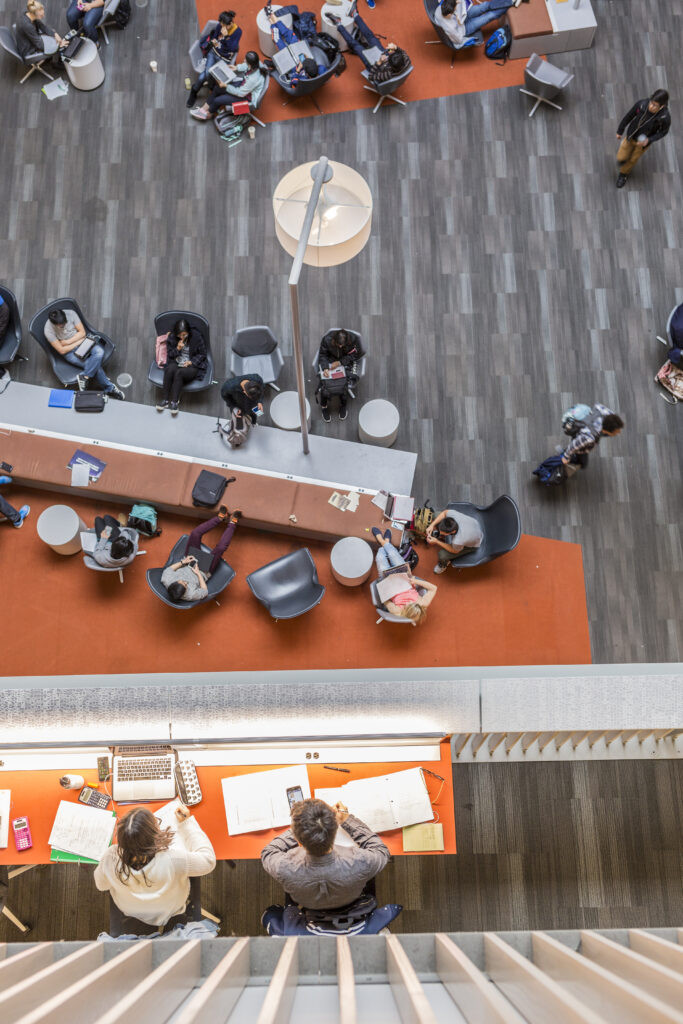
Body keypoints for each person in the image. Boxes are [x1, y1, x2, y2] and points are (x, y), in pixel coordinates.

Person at [93, 804, 216, 928]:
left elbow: (101, 885)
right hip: (172, 908)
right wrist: (187, 823)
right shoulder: (173, 859)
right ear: (153, 836)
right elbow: (208, 861)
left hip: (131, 910)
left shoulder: (110, 857)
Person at [261, 797, 391, 914]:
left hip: (308, 905)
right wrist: (347, 820)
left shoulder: (284, 867)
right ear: (334, 832)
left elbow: (268, 852)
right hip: (349, 901)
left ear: (298, 840)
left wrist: (303, 827)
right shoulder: (360, 861)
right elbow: (381, 850)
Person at [160, 506, 242, 603]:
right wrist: (198, 574)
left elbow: (170, 569)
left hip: (188, 561)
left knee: (195, 534)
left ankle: (220, 518)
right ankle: (232, 523)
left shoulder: (166, 580)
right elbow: (204, 591)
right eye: (186, 585)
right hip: (204, 570)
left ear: (173, 583)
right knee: (220, 548)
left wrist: (183, 562)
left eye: (182, 582)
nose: (185, 582)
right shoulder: (190, 595)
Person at [43, 309, 124, 399]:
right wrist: (77, 341)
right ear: (54, 324)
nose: (63, 325)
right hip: (69, 352)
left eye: (64, 323)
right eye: (60, 325)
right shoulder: (48, 330)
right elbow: (61, 350)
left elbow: (82, 333)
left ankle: (84, 377)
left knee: (99, 352)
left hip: (82, 342)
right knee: (93, 364)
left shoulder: (71, 314)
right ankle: (109, 388)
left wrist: (66, 342)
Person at [372, 529, 437, 625]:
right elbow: (433, 588)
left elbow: (386, 601)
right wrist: (416, 582)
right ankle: (384, 542)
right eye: (412, 602)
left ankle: (384, 542)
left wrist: (385, 589)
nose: (407, 602)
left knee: (380, 558)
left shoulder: (397, 612)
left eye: (406, 606)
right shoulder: (423, 603)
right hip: (404, 579)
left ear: (405, 612)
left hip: (389, 584)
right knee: (393, 554)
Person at [327, 11, 410, 85]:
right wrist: (395, 47)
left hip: (374, 65)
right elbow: (402, 52)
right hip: (383, 59)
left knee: (356, 45)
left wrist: (379, 62)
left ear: (391, 65)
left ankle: (339, 24)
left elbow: (371, 76)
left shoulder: (387, 74)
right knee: (371, 37)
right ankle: (354, 14)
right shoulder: (406, 60)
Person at [616, 89, 671, 189]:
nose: (651, 106)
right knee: (621, 156)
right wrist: (620, 130)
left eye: (655, 105)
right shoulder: (642, 104)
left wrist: (649, 140)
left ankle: (623, 174)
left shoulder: (665, 117)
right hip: (630, 136)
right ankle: (622, 161)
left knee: (633, 160)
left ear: (662, 106)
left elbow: (664, 132)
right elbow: (629, 116)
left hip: (643, 144)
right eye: (651, 102)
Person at [187, 11, 243, 108]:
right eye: (221, 25)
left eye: (224, 25)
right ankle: (206, 88)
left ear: (230, 24)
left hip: (224, 58)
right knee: (208, 73)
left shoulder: (237, 32)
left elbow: (233, 48)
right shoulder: (219, 26)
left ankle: (197, 89)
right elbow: (214, 36)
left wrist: (225, 37)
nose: (222, 27)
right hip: (213, 53)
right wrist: (214, 40)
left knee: (202, 77)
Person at [190, 51, 267, 121]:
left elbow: (240, 93)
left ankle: (209, 114)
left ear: (250, 64)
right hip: (245, 87)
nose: (244, 61)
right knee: (217, 88)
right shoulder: (257, 63)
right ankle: (203, 110)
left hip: (246, 97)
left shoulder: (253, 79)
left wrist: (226, 86)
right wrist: (237, 67)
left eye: (245, 60)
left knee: (217, 100)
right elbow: (246, 66)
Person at [156, 318, 207, 415]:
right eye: (179, 335)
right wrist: (177, 349)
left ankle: (174, 402)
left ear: (188, 332)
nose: (181, 337)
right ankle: (165, 400)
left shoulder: (196, 336)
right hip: (177, 361)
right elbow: (170, 354)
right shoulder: (172, 337)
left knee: (179, 373)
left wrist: (191, 362)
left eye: (184, 335)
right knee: (169, 369)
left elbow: (202, 354)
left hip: (191, 364)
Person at [266, 8, 326, 84]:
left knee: (277, 40)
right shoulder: (321, 70)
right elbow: (320, 68)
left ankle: (271, 20)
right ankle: (272, 15)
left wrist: (298, 70)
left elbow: (292, 83)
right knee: (290, 35)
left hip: (290, 64)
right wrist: (307, 61)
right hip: (301, 57)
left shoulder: (303, 80)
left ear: (307, 74)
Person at [316, 328, 361, 422]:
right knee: (324, 386)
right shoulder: (327, 340)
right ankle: (324, 406)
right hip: (329, 362)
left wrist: (340, 362)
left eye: (342, 345)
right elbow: (322, 355)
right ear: (334, 340)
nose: (340, 347)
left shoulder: (353, 340)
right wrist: (325, 368)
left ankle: (343, 405)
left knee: (342, 386)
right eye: (338, 344)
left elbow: (355, 355)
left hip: (344, 364)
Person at [434, 0, 519, 49]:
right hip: (464, 28)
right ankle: (511, 4)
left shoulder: (443, 6)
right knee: (490, 16)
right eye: (456, 5)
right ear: (451, 13)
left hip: (462, 16)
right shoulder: (450, 27)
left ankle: (510, 1)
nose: (458, 3)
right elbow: (458, 40)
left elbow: (458, 5)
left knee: (485, 5)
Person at [426, 508, 483, 574]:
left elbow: (454, 550)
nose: (440, 533)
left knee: (442, 555)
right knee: (436, 515)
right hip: (474, 525)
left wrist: (436, 541)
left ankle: (443, 565)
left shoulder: (458, 540)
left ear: (453, 531)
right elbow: (445, 513)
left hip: (475, 543)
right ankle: (441, 533)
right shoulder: (454, 516)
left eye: (442, 533)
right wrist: (431, 525)